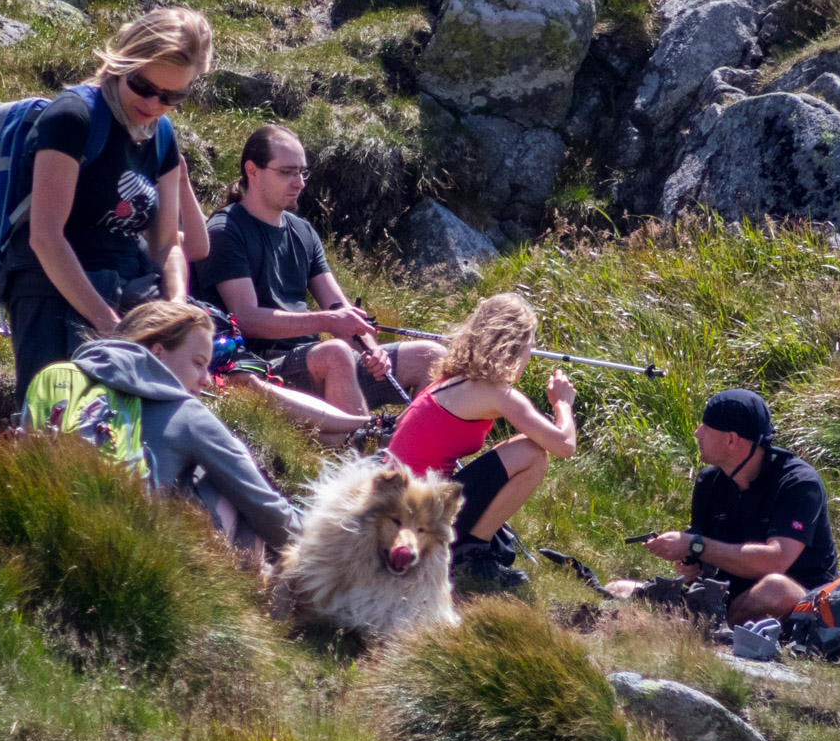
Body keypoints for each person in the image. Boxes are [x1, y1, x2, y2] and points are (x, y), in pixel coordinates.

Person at [3, 7, 213, 399]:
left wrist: (176, 309)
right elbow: (45, 236)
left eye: (172, 96)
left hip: (126, 285)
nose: (153, 104)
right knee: (54, 422)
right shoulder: (73, 117)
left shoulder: (162, 135)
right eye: (143, 86)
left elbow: (166, 243)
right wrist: (109, 325)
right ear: (123, 63)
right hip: (51, 288)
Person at [193, 125, 446, 419]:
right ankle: (363, 454)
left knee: (431, 356)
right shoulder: (227, 230)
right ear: (253, 170)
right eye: (286, 172)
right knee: (337, 354)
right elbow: (247, 318)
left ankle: (412, 454)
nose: (299, 183)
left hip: (313, 359)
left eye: (301, 172)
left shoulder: (303, 231)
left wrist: (370, 348)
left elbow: (338, 310)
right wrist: (328, 321)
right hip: (260, 366)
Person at [66, 300, 301, 555]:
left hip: (58, 537)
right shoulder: (186, 413)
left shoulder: (73, 385)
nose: (207, 381)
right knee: (230, 490)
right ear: (157, 353)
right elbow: (266, 509)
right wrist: (326, 543)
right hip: (134, 559)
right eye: (199, 363)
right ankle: (243, 591)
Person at [385, 293, 576, 588]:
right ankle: (470, 555)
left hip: (396, 505)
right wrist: (562, 403)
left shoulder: (453, 378)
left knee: (522, 448)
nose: (528, 356)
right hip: (420, 513)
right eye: (529, 347)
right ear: (514, 347)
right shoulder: (494, 392)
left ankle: (471, 546)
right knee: (533, 452)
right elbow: (564, 444)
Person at [644, 390, 840, 625]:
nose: (697, 434)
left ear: (731, 439)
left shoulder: (798, 483)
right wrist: (691, 567)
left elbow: (776, 561)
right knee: (620, 587)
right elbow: (706, 561)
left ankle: (701, 628)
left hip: (803, 607)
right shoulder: (710, 482)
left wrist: (693, 544)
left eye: (706, 427)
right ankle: (701, 626)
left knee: (775, 588)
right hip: (731, 597)